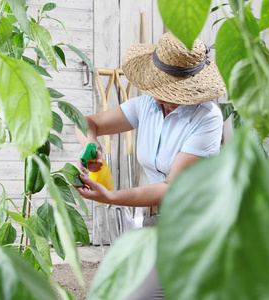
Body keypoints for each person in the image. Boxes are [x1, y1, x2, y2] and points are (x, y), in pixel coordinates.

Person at [74, 32, 226, 299]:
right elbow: (86, 122)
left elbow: (169, 188)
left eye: (168, 93)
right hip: (155, 221)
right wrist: (92, 143)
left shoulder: (207, 118)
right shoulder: (148, 106)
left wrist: (110, 197)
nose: (157, 98)